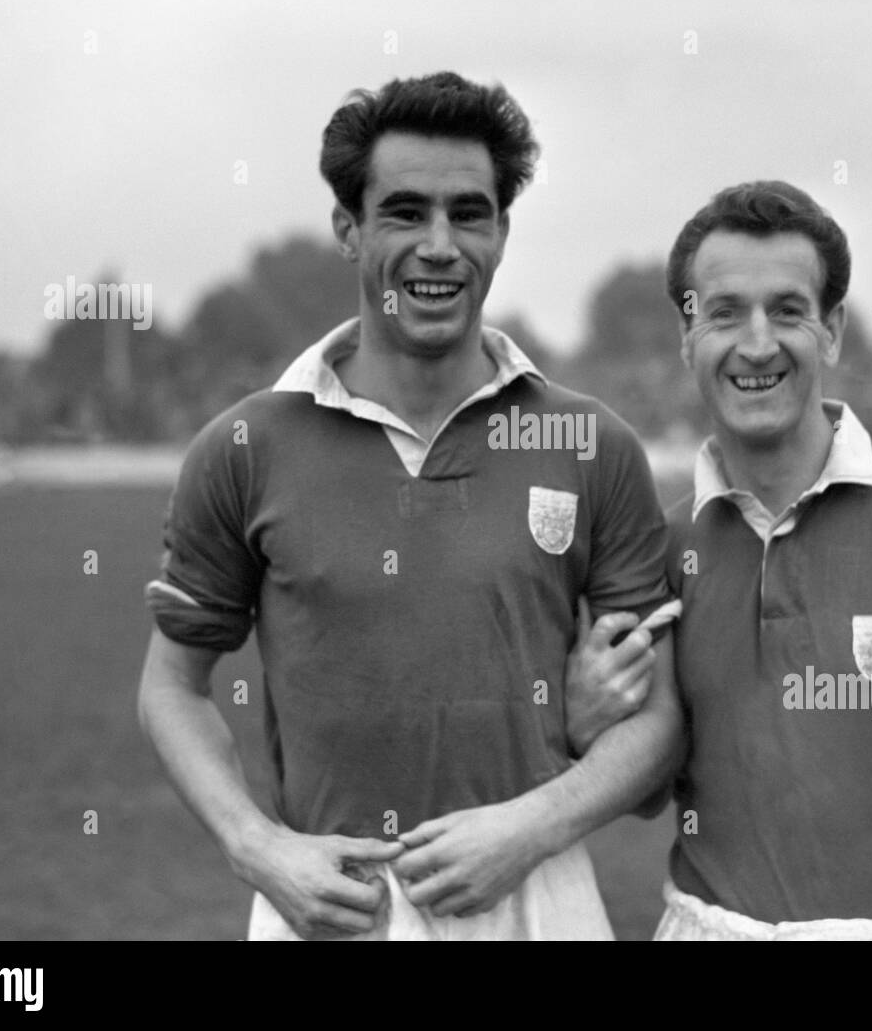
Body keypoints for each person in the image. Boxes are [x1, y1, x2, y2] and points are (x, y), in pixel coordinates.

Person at [136, 71, 682, 941]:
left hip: (538, 894)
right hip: (326, 903)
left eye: (469, 213)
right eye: (405, 212)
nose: (439, 245)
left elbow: (660, 719)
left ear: (501, 231)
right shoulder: (244, 447)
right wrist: (259, 847)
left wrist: (535, 823)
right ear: (348, 229)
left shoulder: (593, 443)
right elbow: (171, 683)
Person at [571, 180, 872, 940]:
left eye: (787, 310)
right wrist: (588, 721)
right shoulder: (665, 545)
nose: (757, 344)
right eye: (724, 312)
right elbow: (649, 785)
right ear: (687, 336)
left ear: (832, 329)